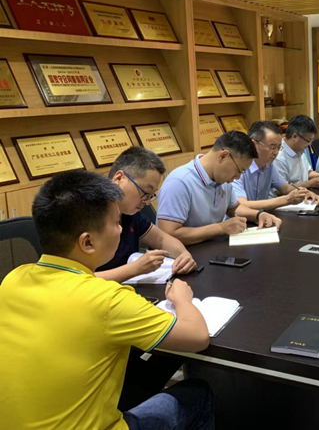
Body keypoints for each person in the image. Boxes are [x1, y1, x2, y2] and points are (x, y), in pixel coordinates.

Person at [0, 170, 213, 429]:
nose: (121, 229)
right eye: (116, 223)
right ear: (88, 242)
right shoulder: (109, 300)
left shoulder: (13, 278)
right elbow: (197, 337)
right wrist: (182, 299)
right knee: (198, 394)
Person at [157, 131, 281, 246]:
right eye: (239, 170)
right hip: (184, 255)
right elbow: (168, 234)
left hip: (212, 248)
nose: (238, 177)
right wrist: (220, 228)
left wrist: (258, 215)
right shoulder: (180, 182)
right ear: (223, 156)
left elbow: (234, 208)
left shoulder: (223, 179)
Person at [96, 147, 196, 283]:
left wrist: (184, 256)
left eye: (151, 195)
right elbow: (76, 279)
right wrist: (134, 269)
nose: (147, 202)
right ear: (119, 178)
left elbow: (161, 239)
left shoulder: (131, 214)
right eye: (145, 192)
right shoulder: (86, 216)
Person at [232, 121, 319, 210]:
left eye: (279, 147)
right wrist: (286, 199)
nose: (276, 152)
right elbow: (241, 204)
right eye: (272, 147)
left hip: (260, 215)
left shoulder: (269, 166)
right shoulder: (238, 168)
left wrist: (304, 193)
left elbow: (285, 188)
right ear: (254, 144)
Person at [273, 115, 319, 190]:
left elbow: (308, 172)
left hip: (303, 193)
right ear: (294, 136)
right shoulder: (278, 157)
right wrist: (309, 183)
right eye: (308, 140)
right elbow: (280, 190)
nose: (309, 144)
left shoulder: (299, 150)